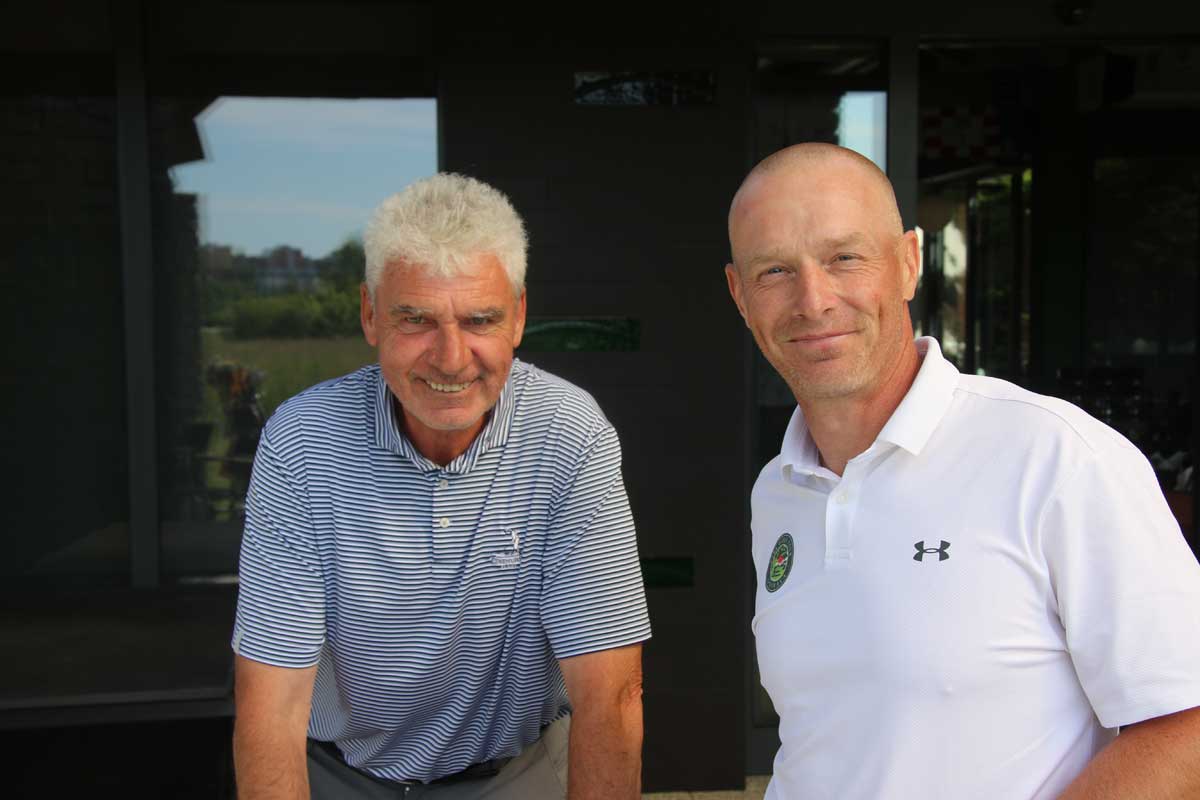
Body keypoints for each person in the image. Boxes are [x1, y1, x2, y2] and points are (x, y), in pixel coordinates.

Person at [724, 142, 1200, 799]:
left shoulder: (1057, 459)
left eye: (844, 258)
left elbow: (1186, 728)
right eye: (775, 270)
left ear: (908, 263)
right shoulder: (780, 488)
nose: (813, 299)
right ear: (739, 295)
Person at [232, 173, 650, 799]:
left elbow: (610, 693)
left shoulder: (569, 434)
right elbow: (271, 704)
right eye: (416, 319)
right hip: (340, 772)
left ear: (519, 317)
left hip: (516, 772)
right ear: (370, 314)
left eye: (480, 319)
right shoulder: (303, 442)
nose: (451, 358)